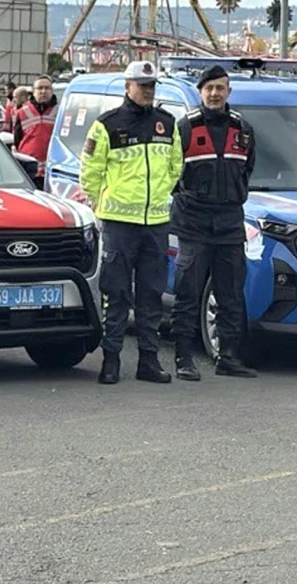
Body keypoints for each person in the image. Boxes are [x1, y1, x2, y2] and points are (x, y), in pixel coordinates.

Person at [80, 60, 183, 385]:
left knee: (151, 294)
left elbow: (175, 166)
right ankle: (111, 359)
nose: (148, 91)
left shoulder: (167, 123)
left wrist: (160, 195)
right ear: (128, 87)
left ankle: (149, 361)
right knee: (116, 293)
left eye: (151, 86)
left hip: (156, 223)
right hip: (119, 224)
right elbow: (90, 172)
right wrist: (103, 202)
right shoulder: (107, 125)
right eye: (142, 85)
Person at [168, 65, 258, 380]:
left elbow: (247, 170)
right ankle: (183, 357)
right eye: (209, 88)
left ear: (228, 91)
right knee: (188, 293)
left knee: (230, 294)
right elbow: (171, 175)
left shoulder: (243, 129)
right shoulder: (185, 128)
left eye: (220, 88)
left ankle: (228, 357)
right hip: (194, 224)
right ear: (200, 92)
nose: (214, 94)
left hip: (230, 223)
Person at [13, 75, 58, 188]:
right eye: (40, 88)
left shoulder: (60, 112)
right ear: (33, 92)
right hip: (29, 170)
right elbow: (17, 139)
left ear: (52, 91)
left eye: (47, 88)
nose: (43, 91)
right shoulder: (22, 112)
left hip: (52, 171)